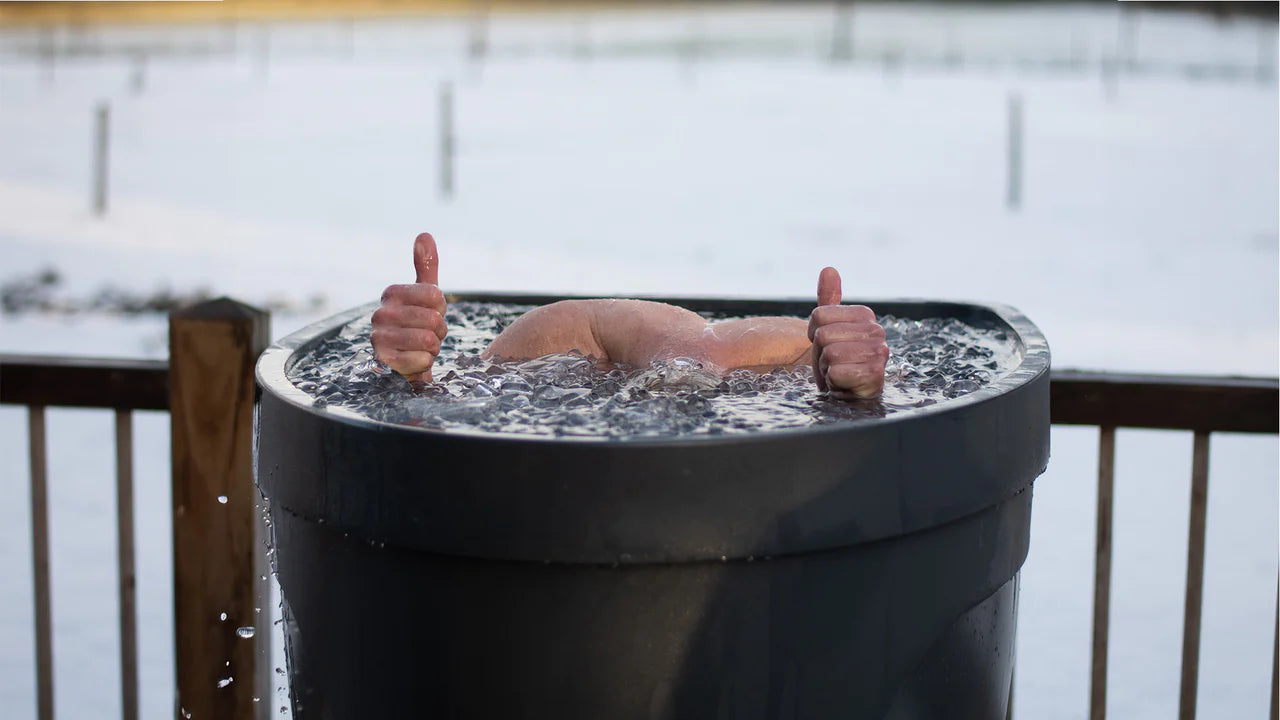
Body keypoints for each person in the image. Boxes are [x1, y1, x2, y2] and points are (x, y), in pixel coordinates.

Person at [372, 233, 889, 399]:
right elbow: (452, 404)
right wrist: (411, 378)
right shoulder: (547, 336)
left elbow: (466, 404)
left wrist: (855, 391)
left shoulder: (793, 344)